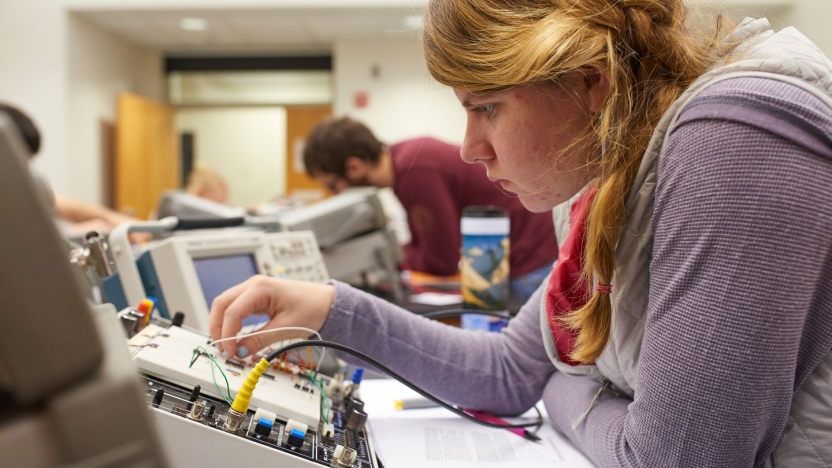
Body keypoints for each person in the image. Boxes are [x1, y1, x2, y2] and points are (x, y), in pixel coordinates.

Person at [209, 1, 832, 466]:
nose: (470, 149)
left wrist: (567, 391)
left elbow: (672, 460)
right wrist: (331, 310)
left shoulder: (737, 141)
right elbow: (508, 372)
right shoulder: (610, 171)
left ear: (591, 81)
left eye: (487, 107)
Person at [303, 117, 559, 300]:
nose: (337, 194)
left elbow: (440, 261)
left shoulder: (415, 171)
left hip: (527, 261)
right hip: (520, 255)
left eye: (333, 185)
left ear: (355, 167)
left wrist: (383, 254)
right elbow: (427, 248)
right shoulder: (406, 160)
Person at [0, 103, 140, 235]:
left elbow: (77, 210)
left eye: (27, 162)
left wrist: (134, 226)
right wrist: (69, 235)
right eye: (19, 162)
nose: (24, 169)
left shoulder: (21, 189)